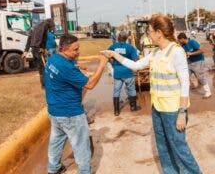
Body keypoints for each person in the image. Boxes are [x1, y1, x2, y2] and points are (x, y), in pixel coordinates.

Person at [102, 14, 202, 174]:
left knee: (179, 149)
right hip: (158, 108)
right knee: (163, 146)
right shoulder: (156, 53)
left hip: (173, 110)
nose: (148, 34)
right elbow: (135, 65)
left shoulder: (176, 52)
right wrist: (114, 55)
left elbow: (185, 84)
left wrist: (182, 113)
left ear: (159, 32)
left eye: (149, 31)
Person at [45, 35, 107, 174]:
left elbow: (68, 67)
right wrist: (102, 64)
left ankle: (53, 168)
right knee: (81, 146)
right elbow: (89, 84)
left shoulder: (53, 59)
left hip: (54, 111)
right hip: (70, 114)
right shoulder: (67, 68)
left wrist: (81, 67)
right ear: (64, 49)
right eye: (75, 49)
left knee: (56, 140)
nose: (78, 52)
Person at [108, 31, 140, 116]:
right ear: (126, 39)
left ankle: (116, 111)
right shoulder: (130, 47)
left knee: (116, 91)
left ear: (118, 38)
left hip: (117, 72)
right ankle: (133, 107)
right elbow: (135, 60)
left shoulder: (112, 47)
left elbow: (110, 59)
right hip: (128, 72)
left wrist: (114, 64)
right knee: (131, 89)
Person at [177, 33, 212, 98]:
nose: (179, 42)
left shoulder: (192, 42)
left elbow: (202, 50)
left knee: (200, 77)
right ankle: (183, 94)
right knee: (185, 77)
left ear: (182, 39)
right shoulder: (183, 46)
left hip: (198, 61)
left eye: (179, 40)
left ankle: (208, 92)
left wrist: (191, 53)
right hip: (189, 62)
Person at [24, 19, 55, 88]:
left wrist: (26, 50)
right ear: (50, 25)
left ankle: (44, 84)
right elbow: (39, 38)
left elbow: (29, 38)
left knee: (41, 68)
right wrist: (40, 48)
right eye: (53, 26)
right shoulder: (43, 27)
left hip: (35, 49)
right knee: (44, 68)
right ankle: (45, 85)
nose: (53, 28)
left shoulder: (37, 27)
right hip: (38, 50)